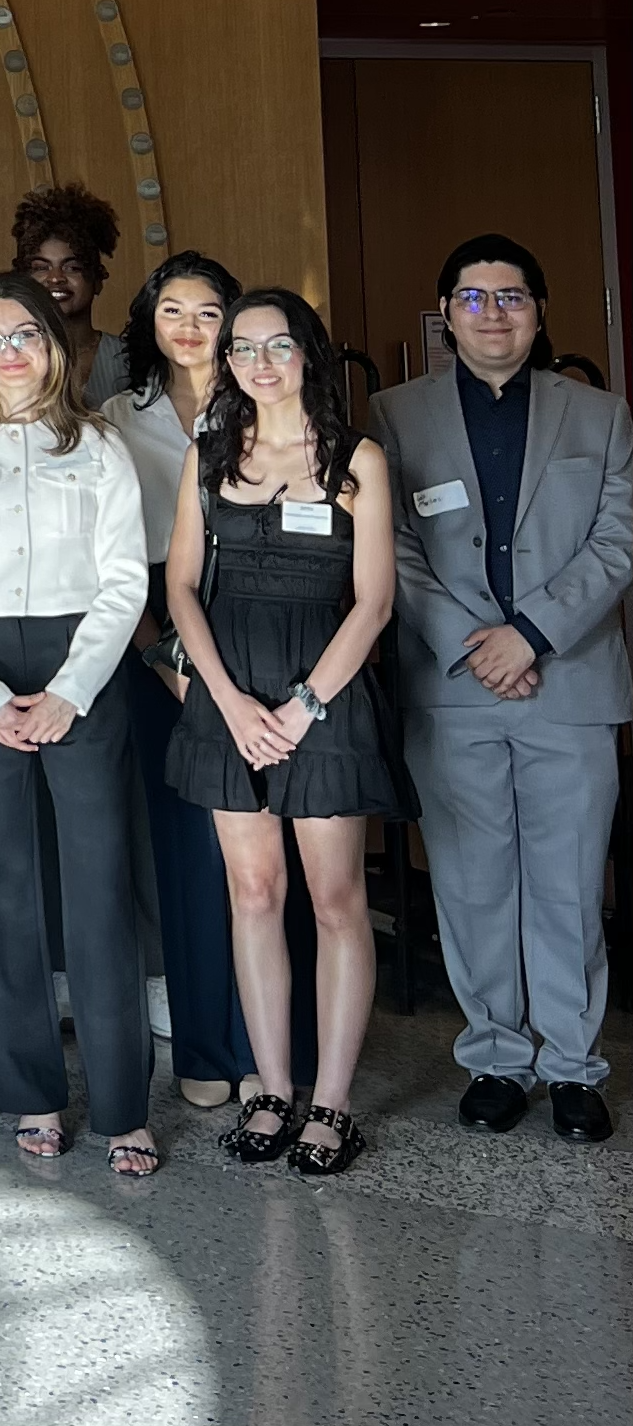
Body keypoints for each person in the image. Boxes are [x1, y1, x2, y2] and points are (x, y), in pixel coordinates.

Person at [376, 234, 633, 1145]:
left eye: (511, 296)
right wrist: (472, 643)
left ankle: (570, 1067)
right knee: (471, 882)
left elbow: (617, 540)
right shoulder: (392, 414)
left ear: (538, 310)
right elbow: (388, 547)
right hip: (452, 686)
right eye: (473, 298)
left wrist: (531, 634)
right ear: (446, 314)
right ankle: (493, 1057)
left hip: (569, 680)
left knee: (567, 884)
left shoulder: (601, 415)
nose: (493, 313)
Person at [0, 273, 157, 1173]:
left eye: (25, 333)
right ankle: (29, 1091)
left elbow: (123, 580)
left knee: (98, 888)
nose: (8, 351)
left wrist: (71, 689)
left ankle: (124, 1106)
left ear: (54, 344)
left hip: (80, 664)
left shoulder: (98, 444)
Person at [163, 289, 406, 1175]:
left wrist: (303, 705)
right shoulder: (207, 454)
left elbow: (373, 602)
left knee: (335, 901)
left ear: (308, 352)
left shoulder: (357, 459)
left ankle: (330, 1103)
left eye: (276, 346)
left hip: (324, 700)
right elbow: (180, 586)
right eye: (240, 348)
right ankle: (269, 1089)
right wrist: (227, 702)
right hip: (228, 700)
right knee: (254, 893)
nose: (257, 364)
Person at [103, 251, 295, 1115]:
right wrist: (162, 659)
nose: (188, 327)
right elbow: (110, 562)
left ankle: (267, 1051)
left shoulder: (268, 404)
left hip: (259, 639)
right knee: (185, 854)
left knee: (263, 857)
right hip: (154, 641)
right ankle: (205, 1048)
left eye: (207, 311)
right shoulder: (116, 419)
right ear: (147, 323)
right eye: (170, 310)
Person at [13, 183, 129, 407]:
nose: (56, 278)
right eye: (41, 267)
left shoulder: (130, 360)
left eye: (72, 267)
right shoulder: (9, 357)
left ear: (97, 280)